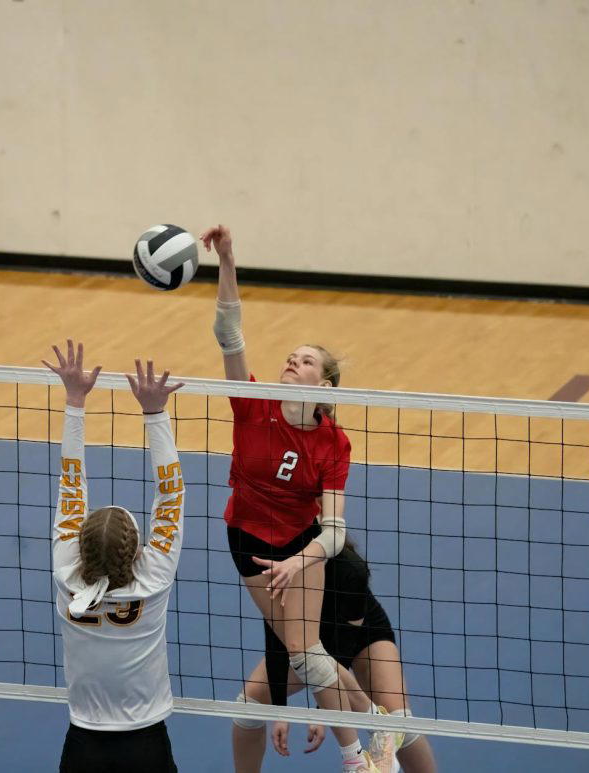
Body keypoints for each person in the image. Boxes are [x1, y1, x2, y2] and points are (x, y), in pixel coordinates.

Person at [202, 224, 379, 772]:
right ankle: (368, 742)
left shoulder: (333, 442)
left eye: (304, 361)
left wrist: (297, 562)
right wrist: (228, 260)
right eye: (290, 356)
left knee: (309, 654)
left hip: (302, 544)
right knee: (304, 652)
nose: (290, 362)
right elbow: (229, 334)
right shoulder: (253, 403)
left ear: (325, 387)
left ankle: (357, 757)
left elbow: (333, 531)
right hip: (250, 539)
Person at [44, 341, 185, 773]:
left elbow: (71, 487)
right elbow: (172, 494)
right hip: (145, 742)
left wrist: (74, 400)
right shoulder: (153, 580)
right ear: (139, 550)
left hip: (84, 742)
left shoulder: (66, 574)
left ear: (79, 542)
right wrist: (155, 412)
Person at [232, 541, 438, 773]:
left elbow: (340, 651)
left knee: (399, 721)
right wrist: (281, 709)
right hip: (305, 635)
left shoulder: (351, 570)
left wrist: (324, 711)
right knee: (250, 705)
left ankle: (384, 730)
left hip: (361, 630)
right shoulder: (279, 561)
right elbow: (276, 633)